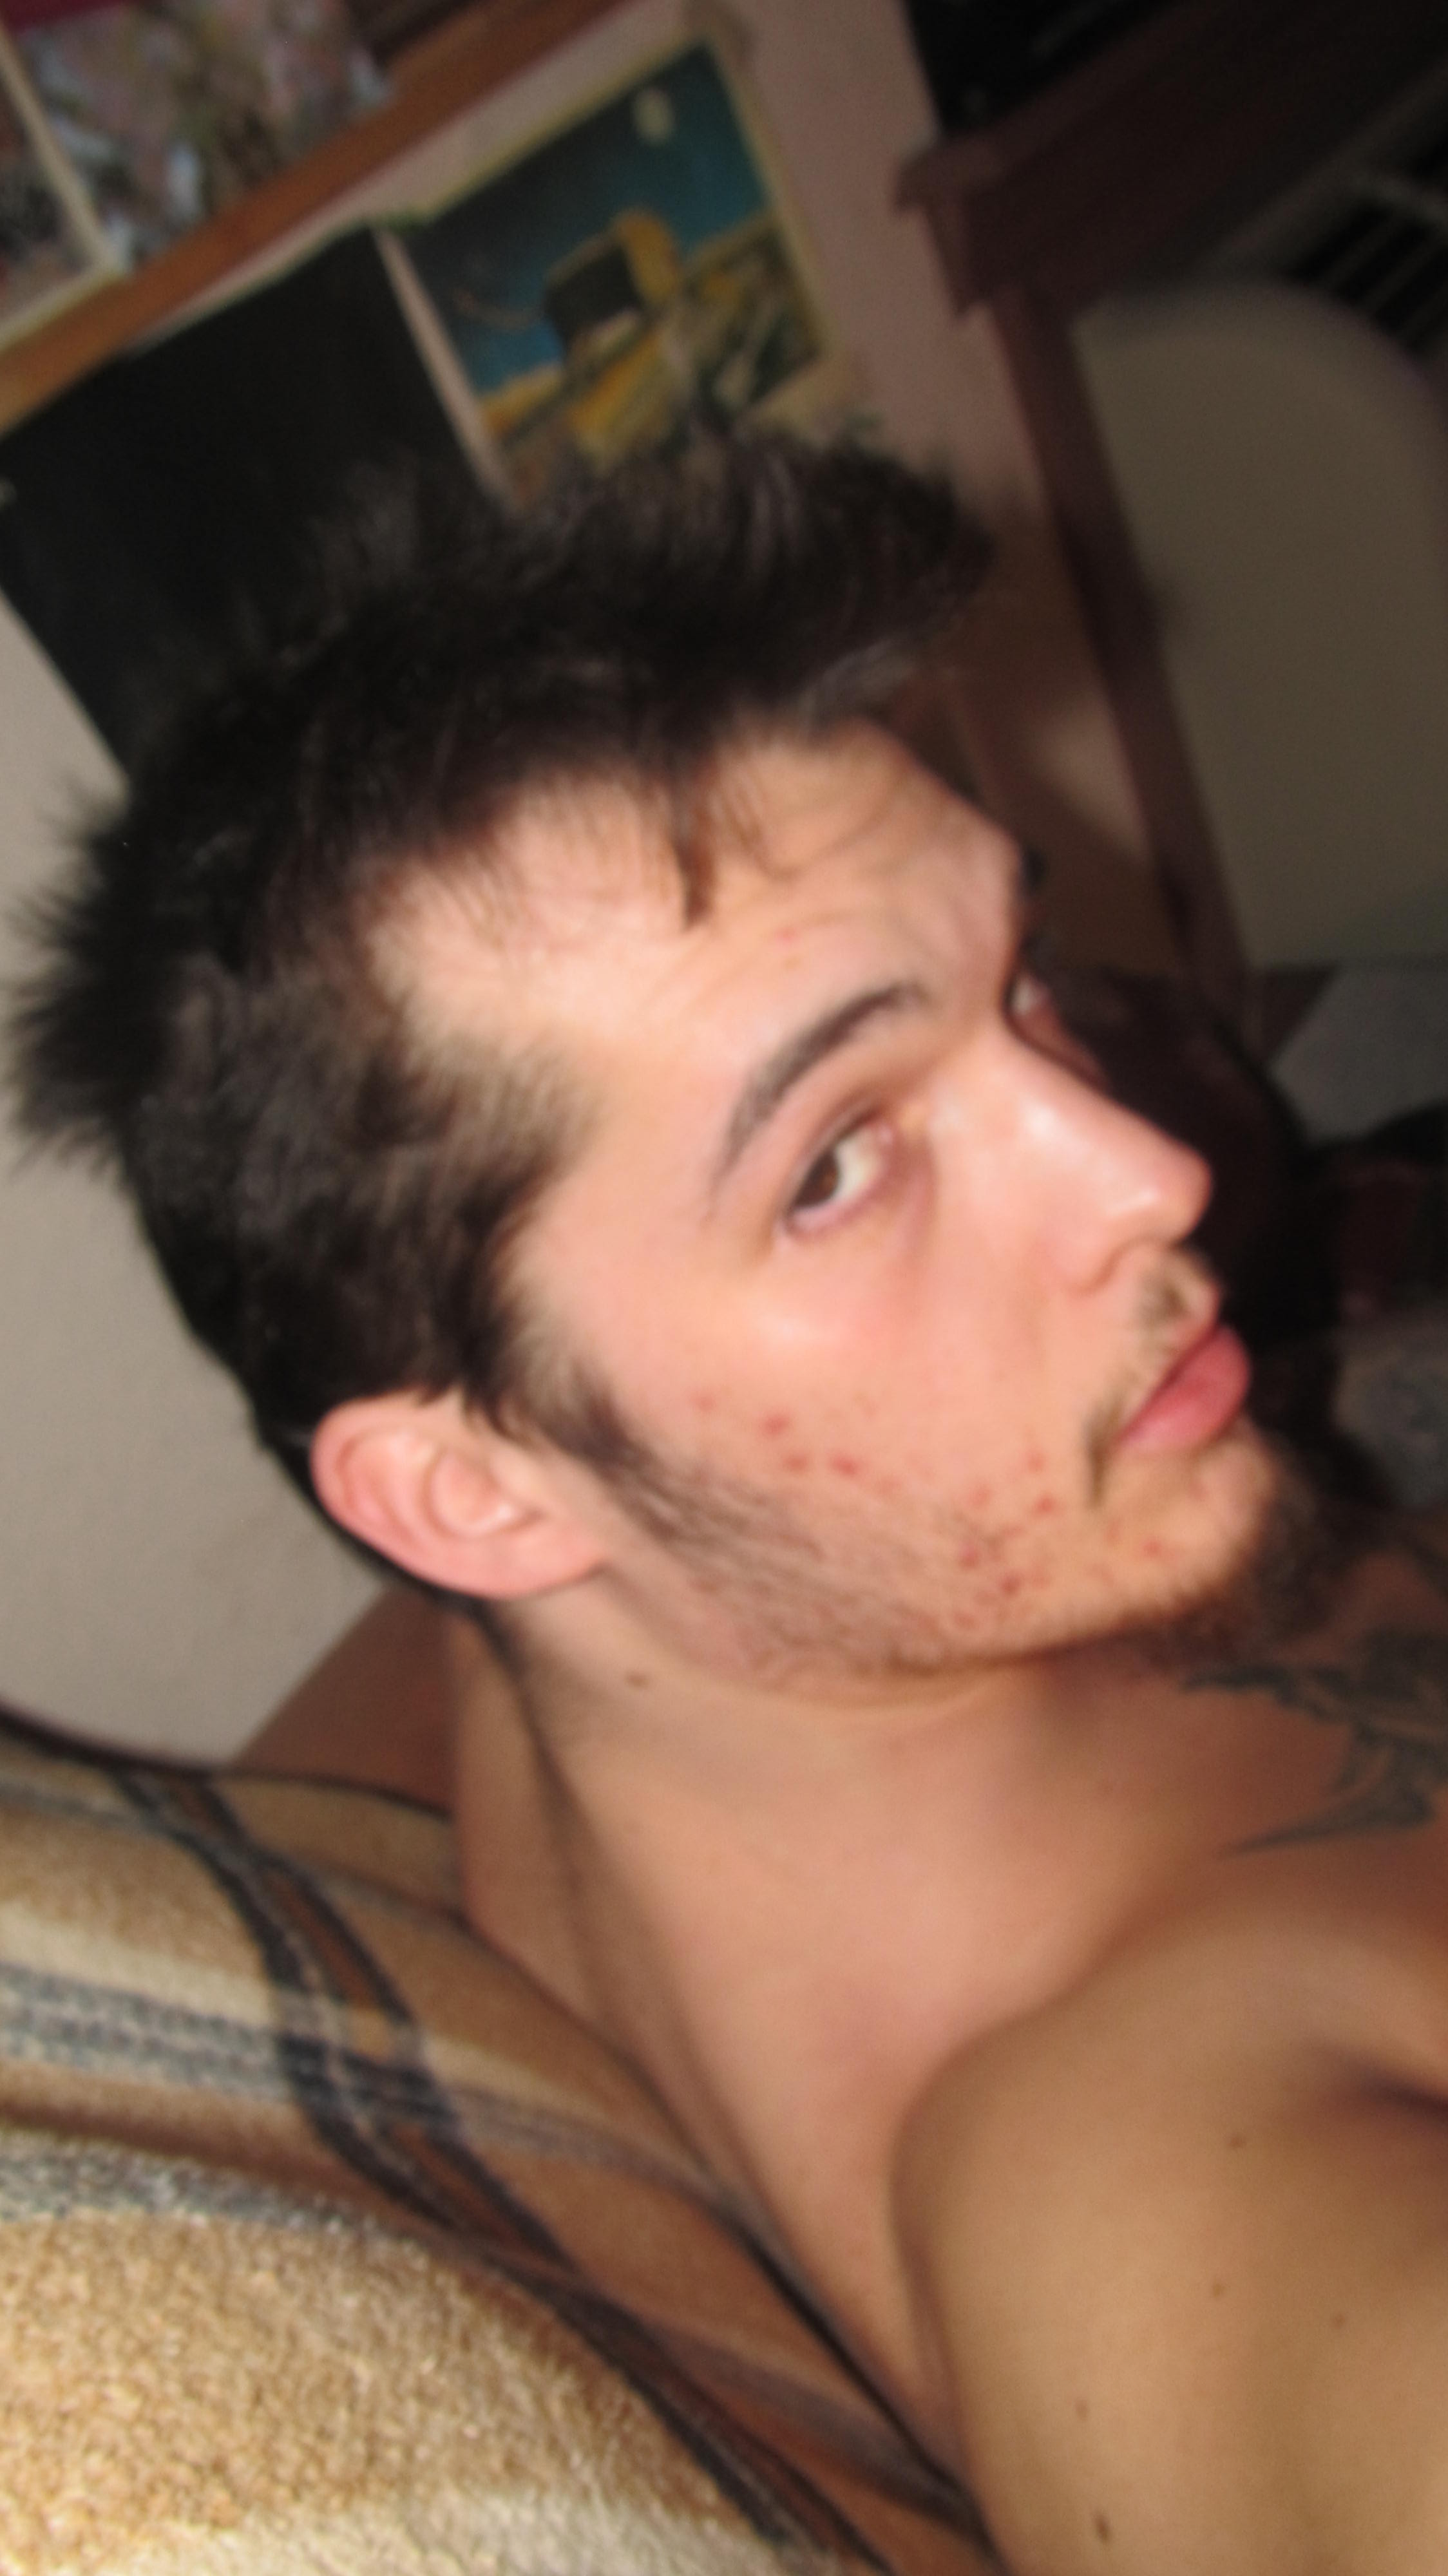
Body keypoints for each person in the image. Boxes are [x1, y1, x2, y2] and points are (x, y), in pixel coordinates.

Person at [11, 432, 1448, 2576]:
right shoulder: (1151, 2180)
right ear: (471, 1494)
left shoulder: (590, 1606)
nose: (1148, 1175)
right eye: (838, 1163)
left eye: (1015, 983)